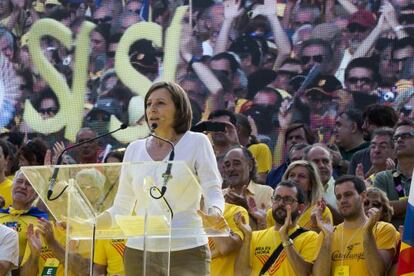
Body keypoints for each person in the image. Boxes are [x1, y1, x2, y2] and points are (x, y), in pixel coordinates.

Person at [105, 81, 225, 275]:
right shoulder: (134, 149)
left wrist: (216, 212)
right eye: (148, 104)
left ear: (179, 108)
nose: (152, 109)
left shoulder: (196, 142)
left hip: (186, 250)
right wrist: (88, 225)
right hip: (139, 252)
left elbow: (213, 189)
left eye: (160, 103)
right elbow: (122, 207)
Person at [313, 175, 398, 276]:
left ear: (363, 196)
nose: (343, 200)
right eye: (339, 197)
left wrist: (367, 232)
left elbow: (377, 272)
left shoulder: (383, 229)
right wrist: (327, 238)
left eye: (348, 195)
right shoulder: (328, 233)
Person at [233, 180, 319, 275]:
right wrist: (247, 237)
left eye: (288, 199)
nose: (281, 203)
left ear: (300, 208)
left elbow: (304, 273)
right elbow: (241, 274)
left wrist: (285, 237)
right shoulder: (254, 236)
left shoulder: (310, 237)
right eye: (277, 198)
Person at [266, 160, 332, 231]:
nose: (295, 179)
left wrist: (315, 225)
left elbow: (325, 240)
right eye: (292, 175)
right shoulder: (274, 212)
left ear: (311, 184)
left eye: (302, 176)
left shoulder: (321, 211)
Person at [374, 119, 414, 227]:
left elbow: (388, 208)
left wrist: (396, 207)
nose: (400, 139)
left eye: (406, 136)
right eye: (396, 138)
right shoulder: (383, 177)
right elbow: (380, 211)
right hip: (392, 242)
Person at [222, 147, 274, 230]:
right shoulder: (219, 196)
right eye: (227, 165)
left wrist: (246, 208)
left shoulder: (266, 192)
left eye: (236, 163)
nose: (231, 169)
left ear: (250, 166)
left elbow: (272, 231)